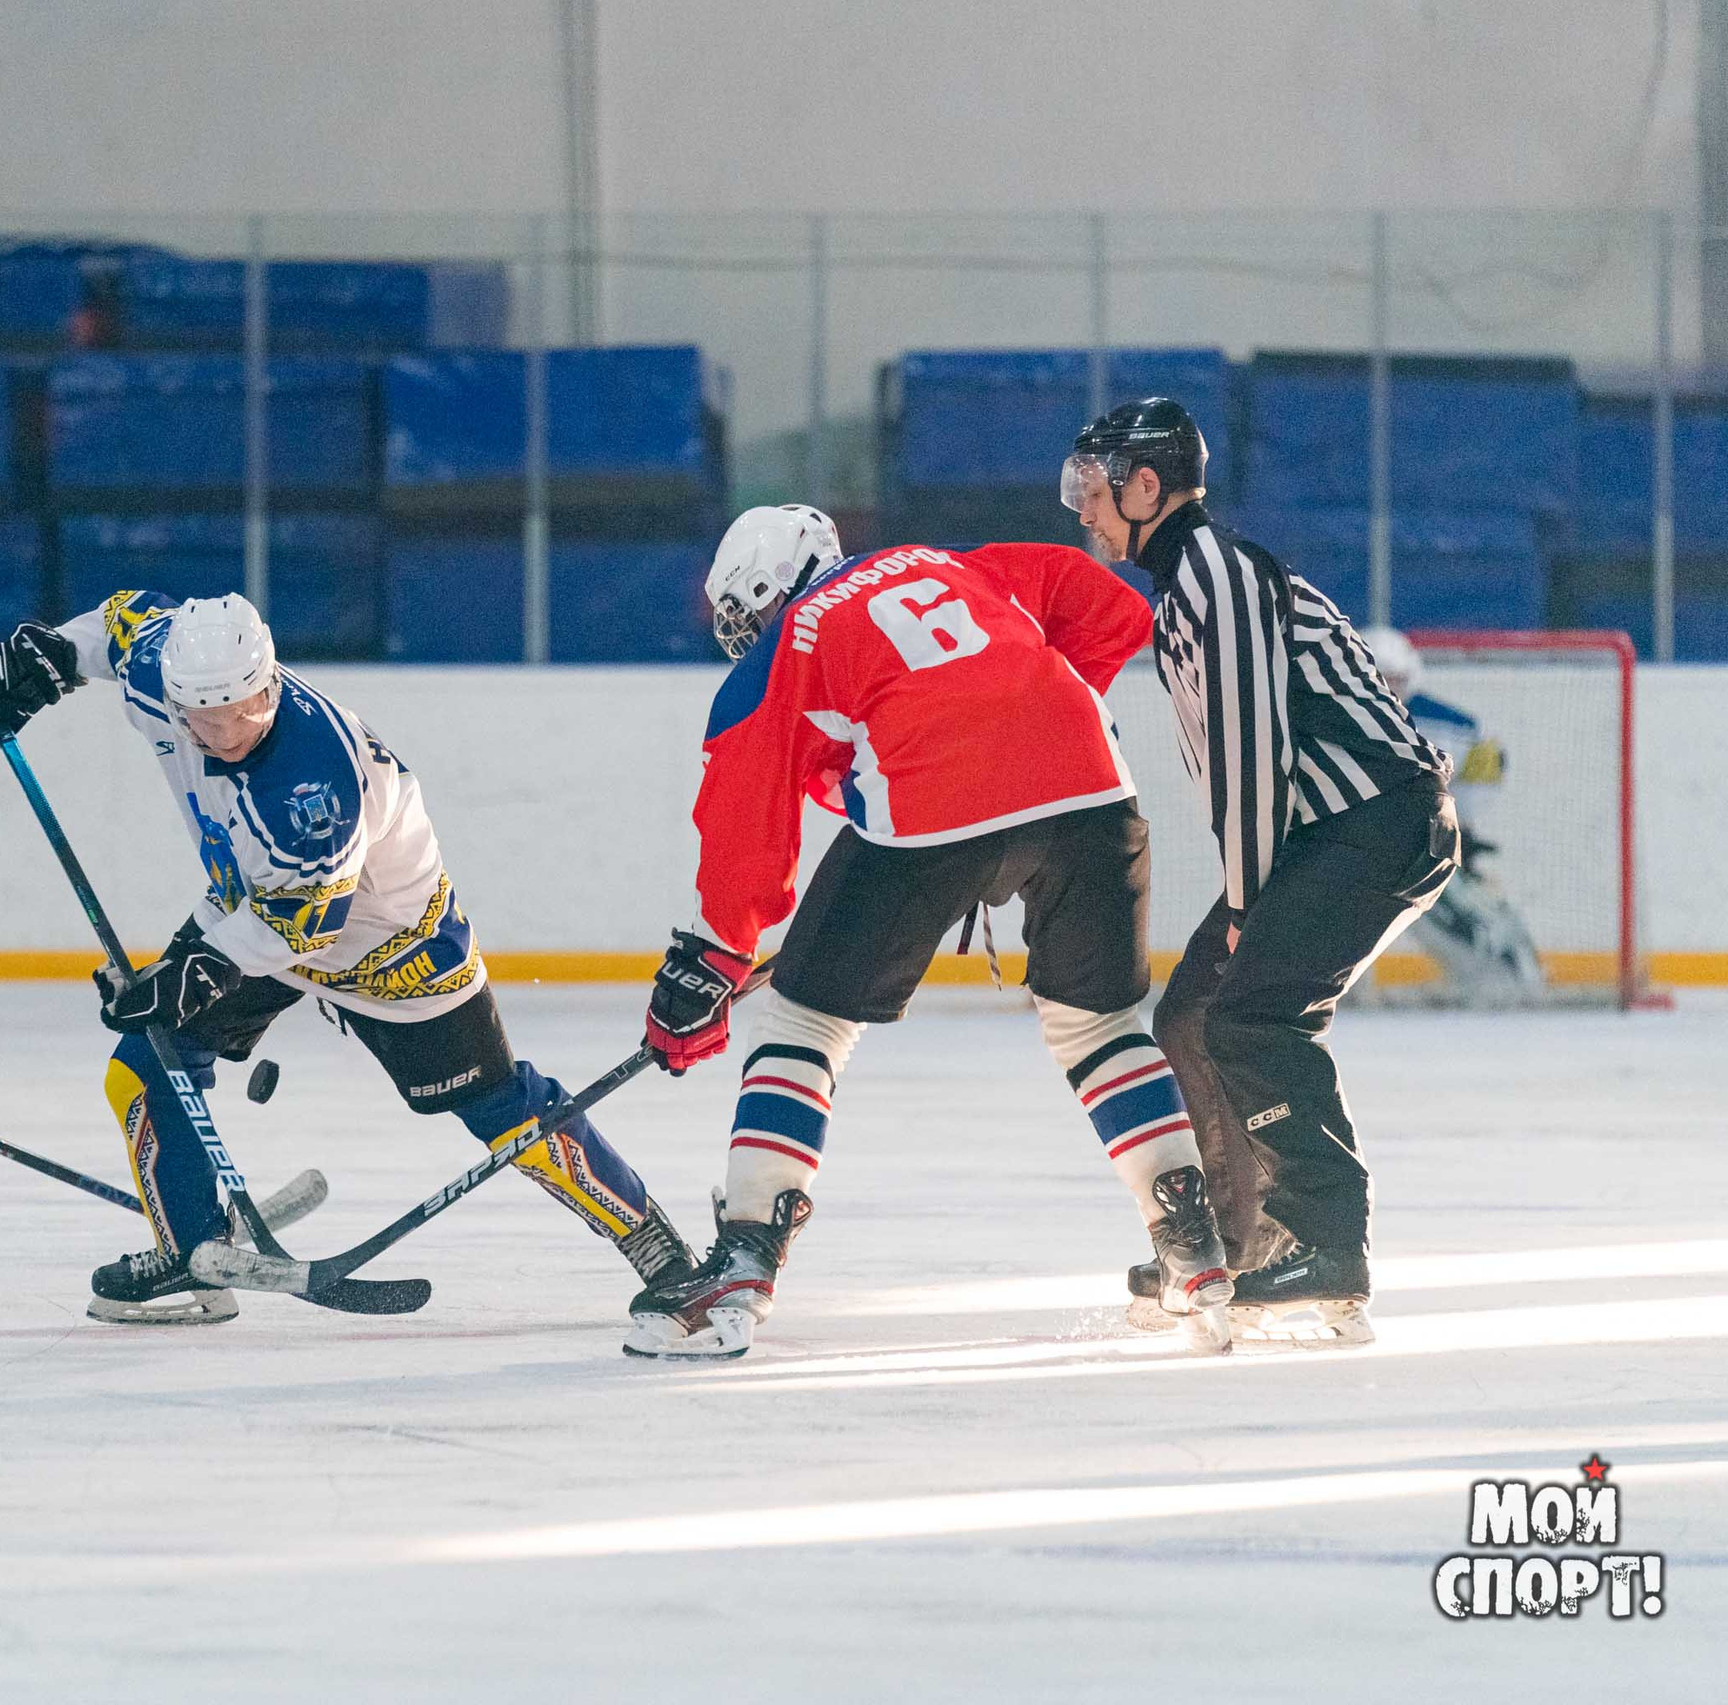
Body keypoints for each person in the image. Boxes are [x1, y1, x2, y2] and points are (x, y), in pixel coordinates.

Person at [0, 591, 696, 1324]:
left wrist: (184, 978)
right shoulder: (163, 665)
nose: (229, 730)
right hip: (257, 903)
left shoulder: (313, 782)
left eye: (246, 709)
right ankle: (190, 1252)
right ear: (176, 695)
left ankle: (653, 1241)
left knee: (495, 1100)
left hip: (390, 941)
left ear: (269, 680)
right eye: (206, 718)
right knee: (146, 1061)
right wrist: (44, 659)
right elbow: (119, 620)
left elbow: (301, 926)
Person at [625, 504, 1234, 1361]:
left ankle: (747, 1252)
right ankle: (1194, 1251)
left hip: (937, 809)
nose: (750, 634)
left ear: (773, 586)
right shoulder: (952, 561)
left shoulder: (793, 636)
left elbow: (745, 822)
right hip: (1095, 785)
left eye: (748, 613)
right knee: (1097, 1024)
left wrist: (710, 958)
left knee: (804, 1021)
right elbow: (1114, 608)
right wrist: (1025, 727)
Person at [1063, 399, 1459, 1346]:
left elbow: (1250, 750)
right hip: (1331, 830)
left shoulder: (1212, 572)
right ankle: (1233, 1247)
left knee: (1252, 1014)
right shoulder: (1191, 581)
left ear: (1147, 487)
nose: (1081, 507)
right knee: (1192, 1014)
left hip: (1372, 821)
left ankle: (1325, 1243)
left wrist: (1246, 902)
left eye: (1094, 486)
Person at [1361, 626, 1545, 1003]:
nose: (1390, 689)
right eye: (1381, 679)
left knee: (1468, 914)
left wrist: (1464, 826)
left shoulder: (1449, 727)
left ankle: (1502, 980)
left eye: (1396, 679)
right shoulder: (1334, 722)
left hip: (1419, 854)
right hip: (1358, 855)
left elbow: (1484, 764)